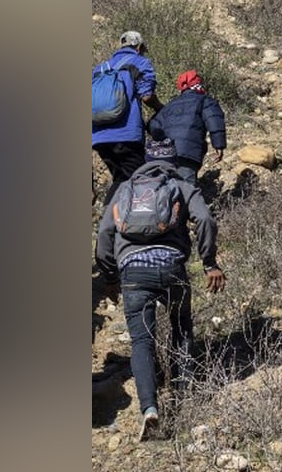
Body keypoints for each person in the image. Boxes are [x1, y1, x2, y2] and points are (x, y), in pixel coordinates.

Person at [95, 138, 226, 441]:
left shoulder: (124, 189)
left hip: (133, 272)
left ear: (146, 159)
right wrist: (209, 263)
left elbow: (104, 233)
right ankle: (184, 396)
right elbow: (205, 219)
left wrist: (110, 276)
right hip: (171, 269)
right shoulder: (181, 185)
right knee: (181, 327)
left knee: (142, 341)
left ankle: (150, 409)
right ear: (173, 160)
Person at [92, 31, 164, 205]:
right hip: (126, 135)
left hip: (99, 138)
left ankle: (110, 217)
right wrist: (161, 109)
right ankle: (118, 219)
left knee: (121, 179)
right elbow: (147, 96)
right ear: (139, 47)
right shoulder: (140, 62)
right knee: (140, 181)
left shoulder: (100, 69)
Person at [147, 69, 228, 184]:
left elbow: (153, 125)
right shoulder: (205, 100)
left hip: (165, 154)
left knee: (167, 188)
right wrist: (219, 145)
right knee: (186, 188)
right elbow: (214, 119)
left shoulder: (170, 105)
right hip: (188, 153)